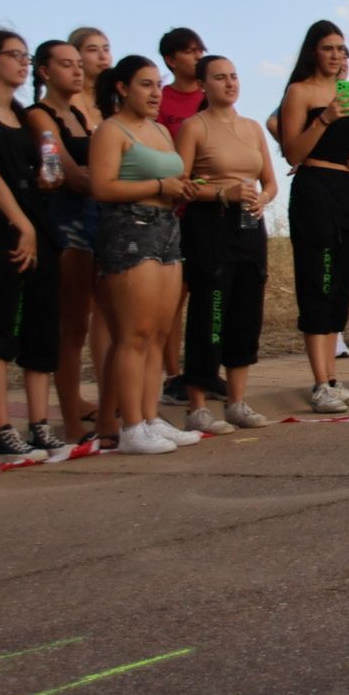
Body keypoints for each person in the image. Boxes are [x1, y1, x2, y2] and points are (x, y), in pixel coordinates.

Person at [89, 55, 202, 454]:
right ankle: (131, 426)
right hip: (129, 229)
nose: (156, 93)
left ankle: (151, 417)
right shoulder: (111, 130)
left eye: (158, 84)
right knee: (133, 333)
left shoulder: (160, 131)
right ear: (122, 88)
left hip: (167, 228)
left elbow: (172, 178)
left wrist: (181, 187)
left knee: (157, 332)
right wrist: (159, 184)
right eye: (145, 84)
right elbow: (102, 187)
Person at [0, 30, 64, 461]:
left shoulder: (25, 115)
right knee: (2, 330)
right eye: (13, 56)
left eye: (26, 56)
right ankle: (0, 430)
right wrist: (21, 225)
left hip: (40, 224)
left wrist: (47, 178)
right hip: (6, 228)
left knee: (42, 329)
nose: (22, 63)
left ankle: (39, 424)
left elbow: (42, 171)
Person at [174, 55, 277, 432]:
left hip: (249, 226)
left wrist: (261, 199)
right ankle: (198, 405)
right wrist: (222, 194)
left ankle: (237, 401)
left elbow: (270, 181)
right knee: (210, 310)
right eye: (220, 78)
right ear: (203, 85)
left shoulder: (252, 128)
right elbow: (181, 185)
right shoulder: (193, 127)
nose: (230, 83)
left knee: (246, 310)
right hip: (210, 226)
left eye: (234, 76)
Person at [278, 21, 349, 413]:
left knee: (343, 284)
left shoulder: (347, 93)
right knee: (320, 278)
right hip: (316, 189)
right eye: (329, 48)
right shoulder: (299, 92)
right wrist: (325, 118)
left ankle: (333, 377)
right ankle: (319, 382)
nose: (337, 56)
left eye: (342, 49)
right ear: (314, 51)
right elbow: (292, 151)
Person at [27, 40, 108, 442]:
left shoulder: (79, 113)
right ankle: (72, 419)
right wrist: (113, 184)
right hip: (66, 218)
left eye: (80, 64)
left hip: (96, 213)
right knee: (73, 322)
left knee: (101, 318)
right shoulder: (39, 116)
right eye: (66, 64)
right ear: (44, 71)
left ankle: (103, 412)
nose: (77, 71)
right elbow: (69, 172)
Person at [154, 27, 206, 406]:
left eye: (201, 49)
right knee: (174, 296)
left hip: (208, 211)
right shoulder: (162, 100)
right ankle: (172, 374)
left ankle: (203, 370)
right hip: (171, 210)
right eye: (190, 52)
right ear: (171, 60)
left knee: (208, 293)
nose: (198, 56)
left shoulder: (210, 97)